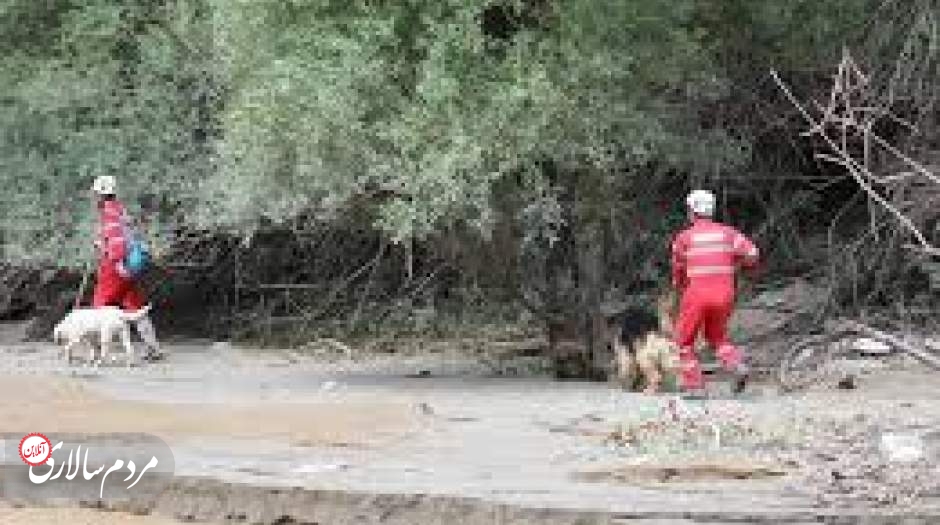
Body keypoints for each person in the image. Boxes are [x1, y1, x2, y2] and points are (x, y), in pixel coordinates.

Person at [670, 189, 758, 398]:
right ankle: (736, 364)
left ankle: (695, 387)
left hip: (697, 294)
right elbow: (753, 254)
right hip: (725, 293)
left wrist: (680, 288)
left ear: (692, 212)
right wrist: (736, 263)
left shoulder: (683, 238)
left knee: (684, 341)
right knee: (717, 338)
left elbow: (678, 273)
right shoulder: (729, 233)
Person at [90, 175, 163, 361]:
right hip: (129, 266)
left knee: (100, 305)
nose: (93, 196)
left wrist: (108, 253)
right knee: (134, 305)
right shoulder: (120, 209)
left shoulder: (108, 212)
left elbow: (117, 242)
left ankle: (99, 351)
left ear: (100, 194)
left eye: (95, 193)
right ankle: (152, 347)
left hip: (115, 267)